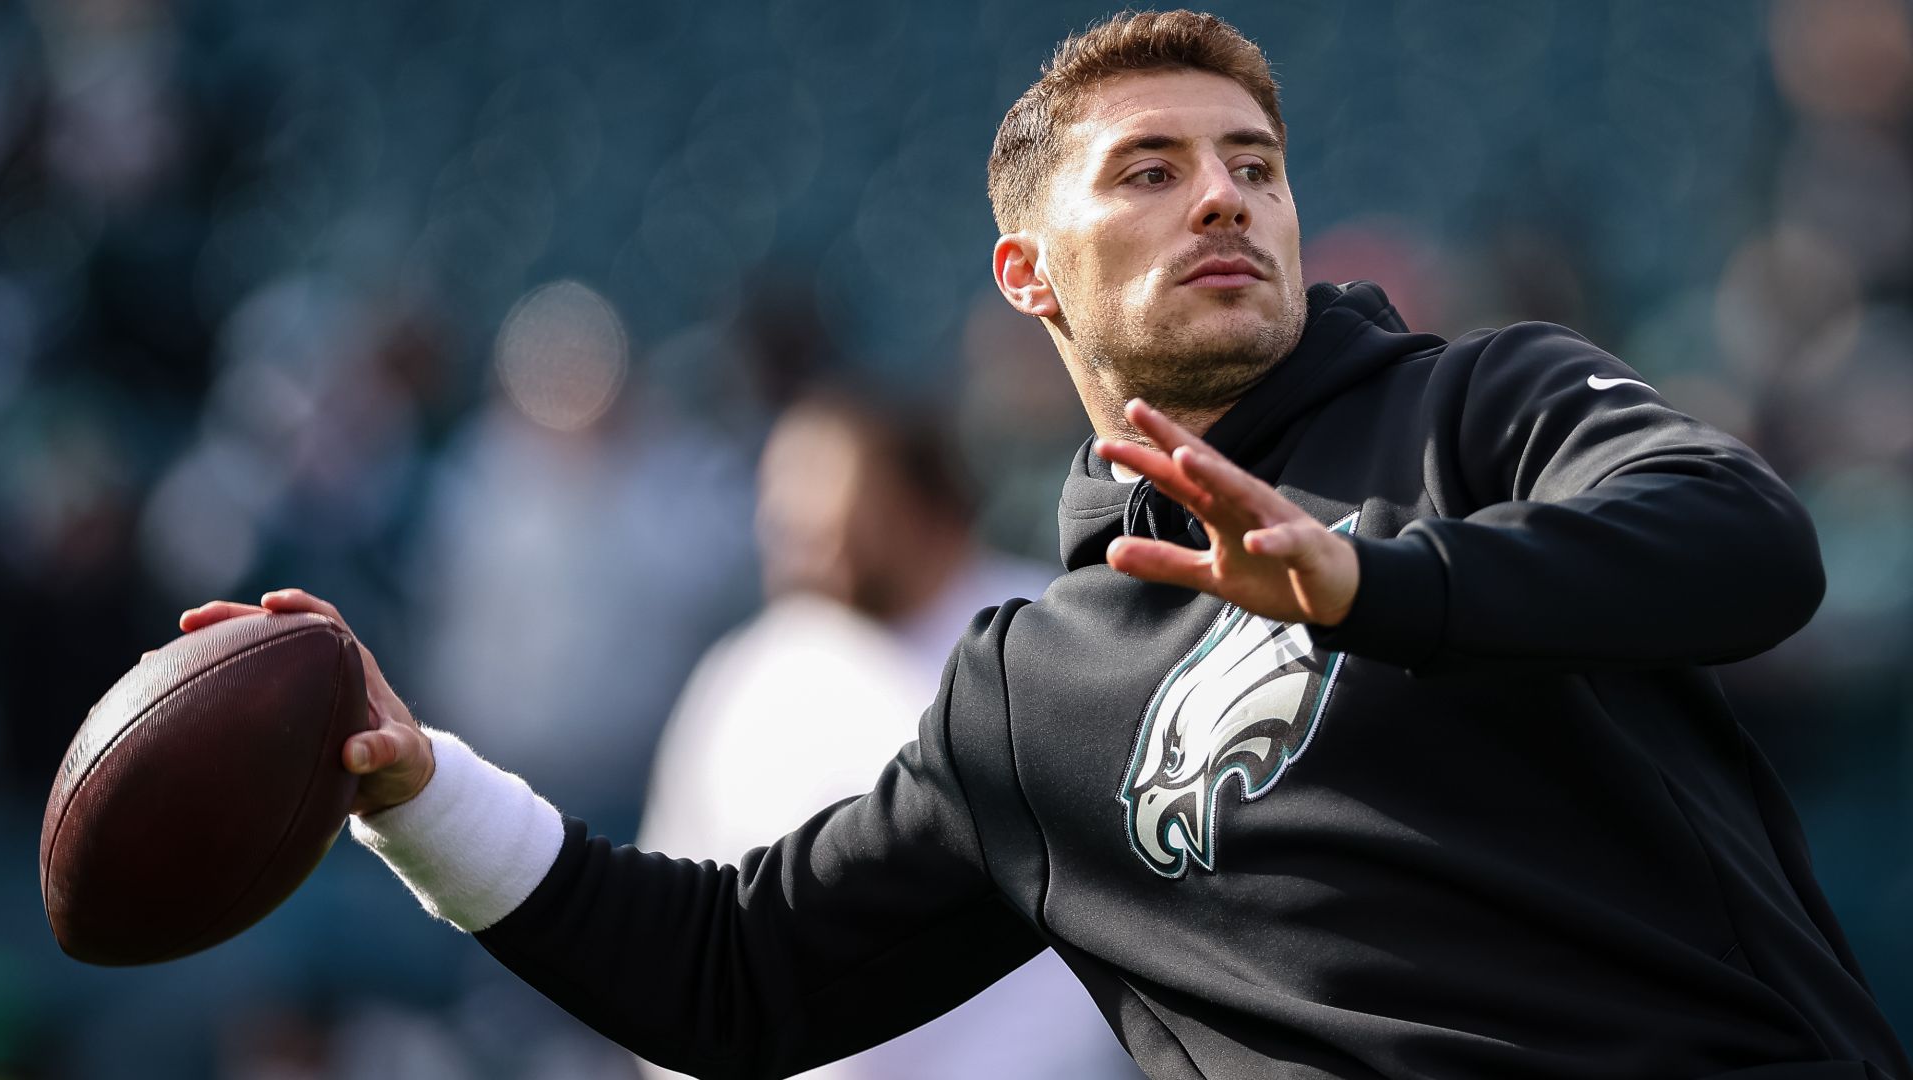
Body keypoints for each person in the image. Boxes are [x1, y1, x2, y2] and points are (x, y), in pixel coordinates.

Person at [180, 11, 1912, 1079]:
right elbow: (732, 981)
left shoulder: (1482, 411)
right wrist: (414, 793)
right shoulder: (1034, 692)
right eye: (1148, 169)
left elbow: (1748, 543)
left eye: (1254, 163)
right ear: (1030, 276)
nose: (1223, 195)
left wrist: (1384, 584)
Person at [637, 390, 1133, 1079]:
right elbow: (680, 917)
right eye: (784, 497)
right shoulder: (747, 673)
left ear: (927, 505)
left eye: (828, 493)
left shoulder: (1053, 641)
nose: (796, 524)